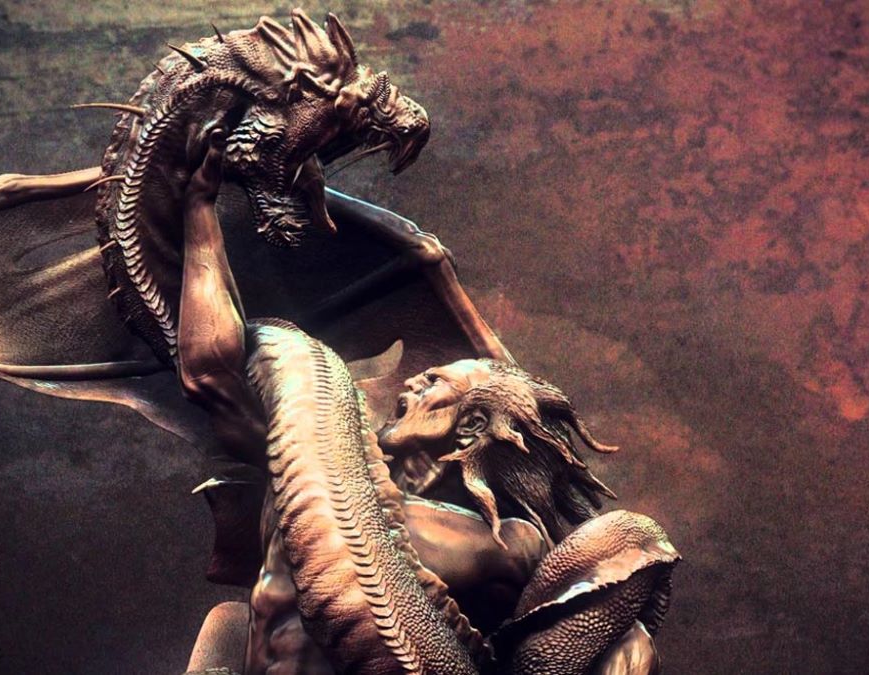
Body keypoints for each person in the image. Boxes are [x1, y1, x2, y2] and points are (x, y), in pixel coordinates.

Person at [177, 129, 677, 675]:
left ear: (473, 426)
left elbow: (566, 639)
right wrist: (199, 212)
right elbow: (210, 373)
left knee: (632, 628)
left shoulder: (508, 542)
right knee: (225, 623)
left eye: (434, 380)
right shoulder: (304, 462)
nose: (412, 381)